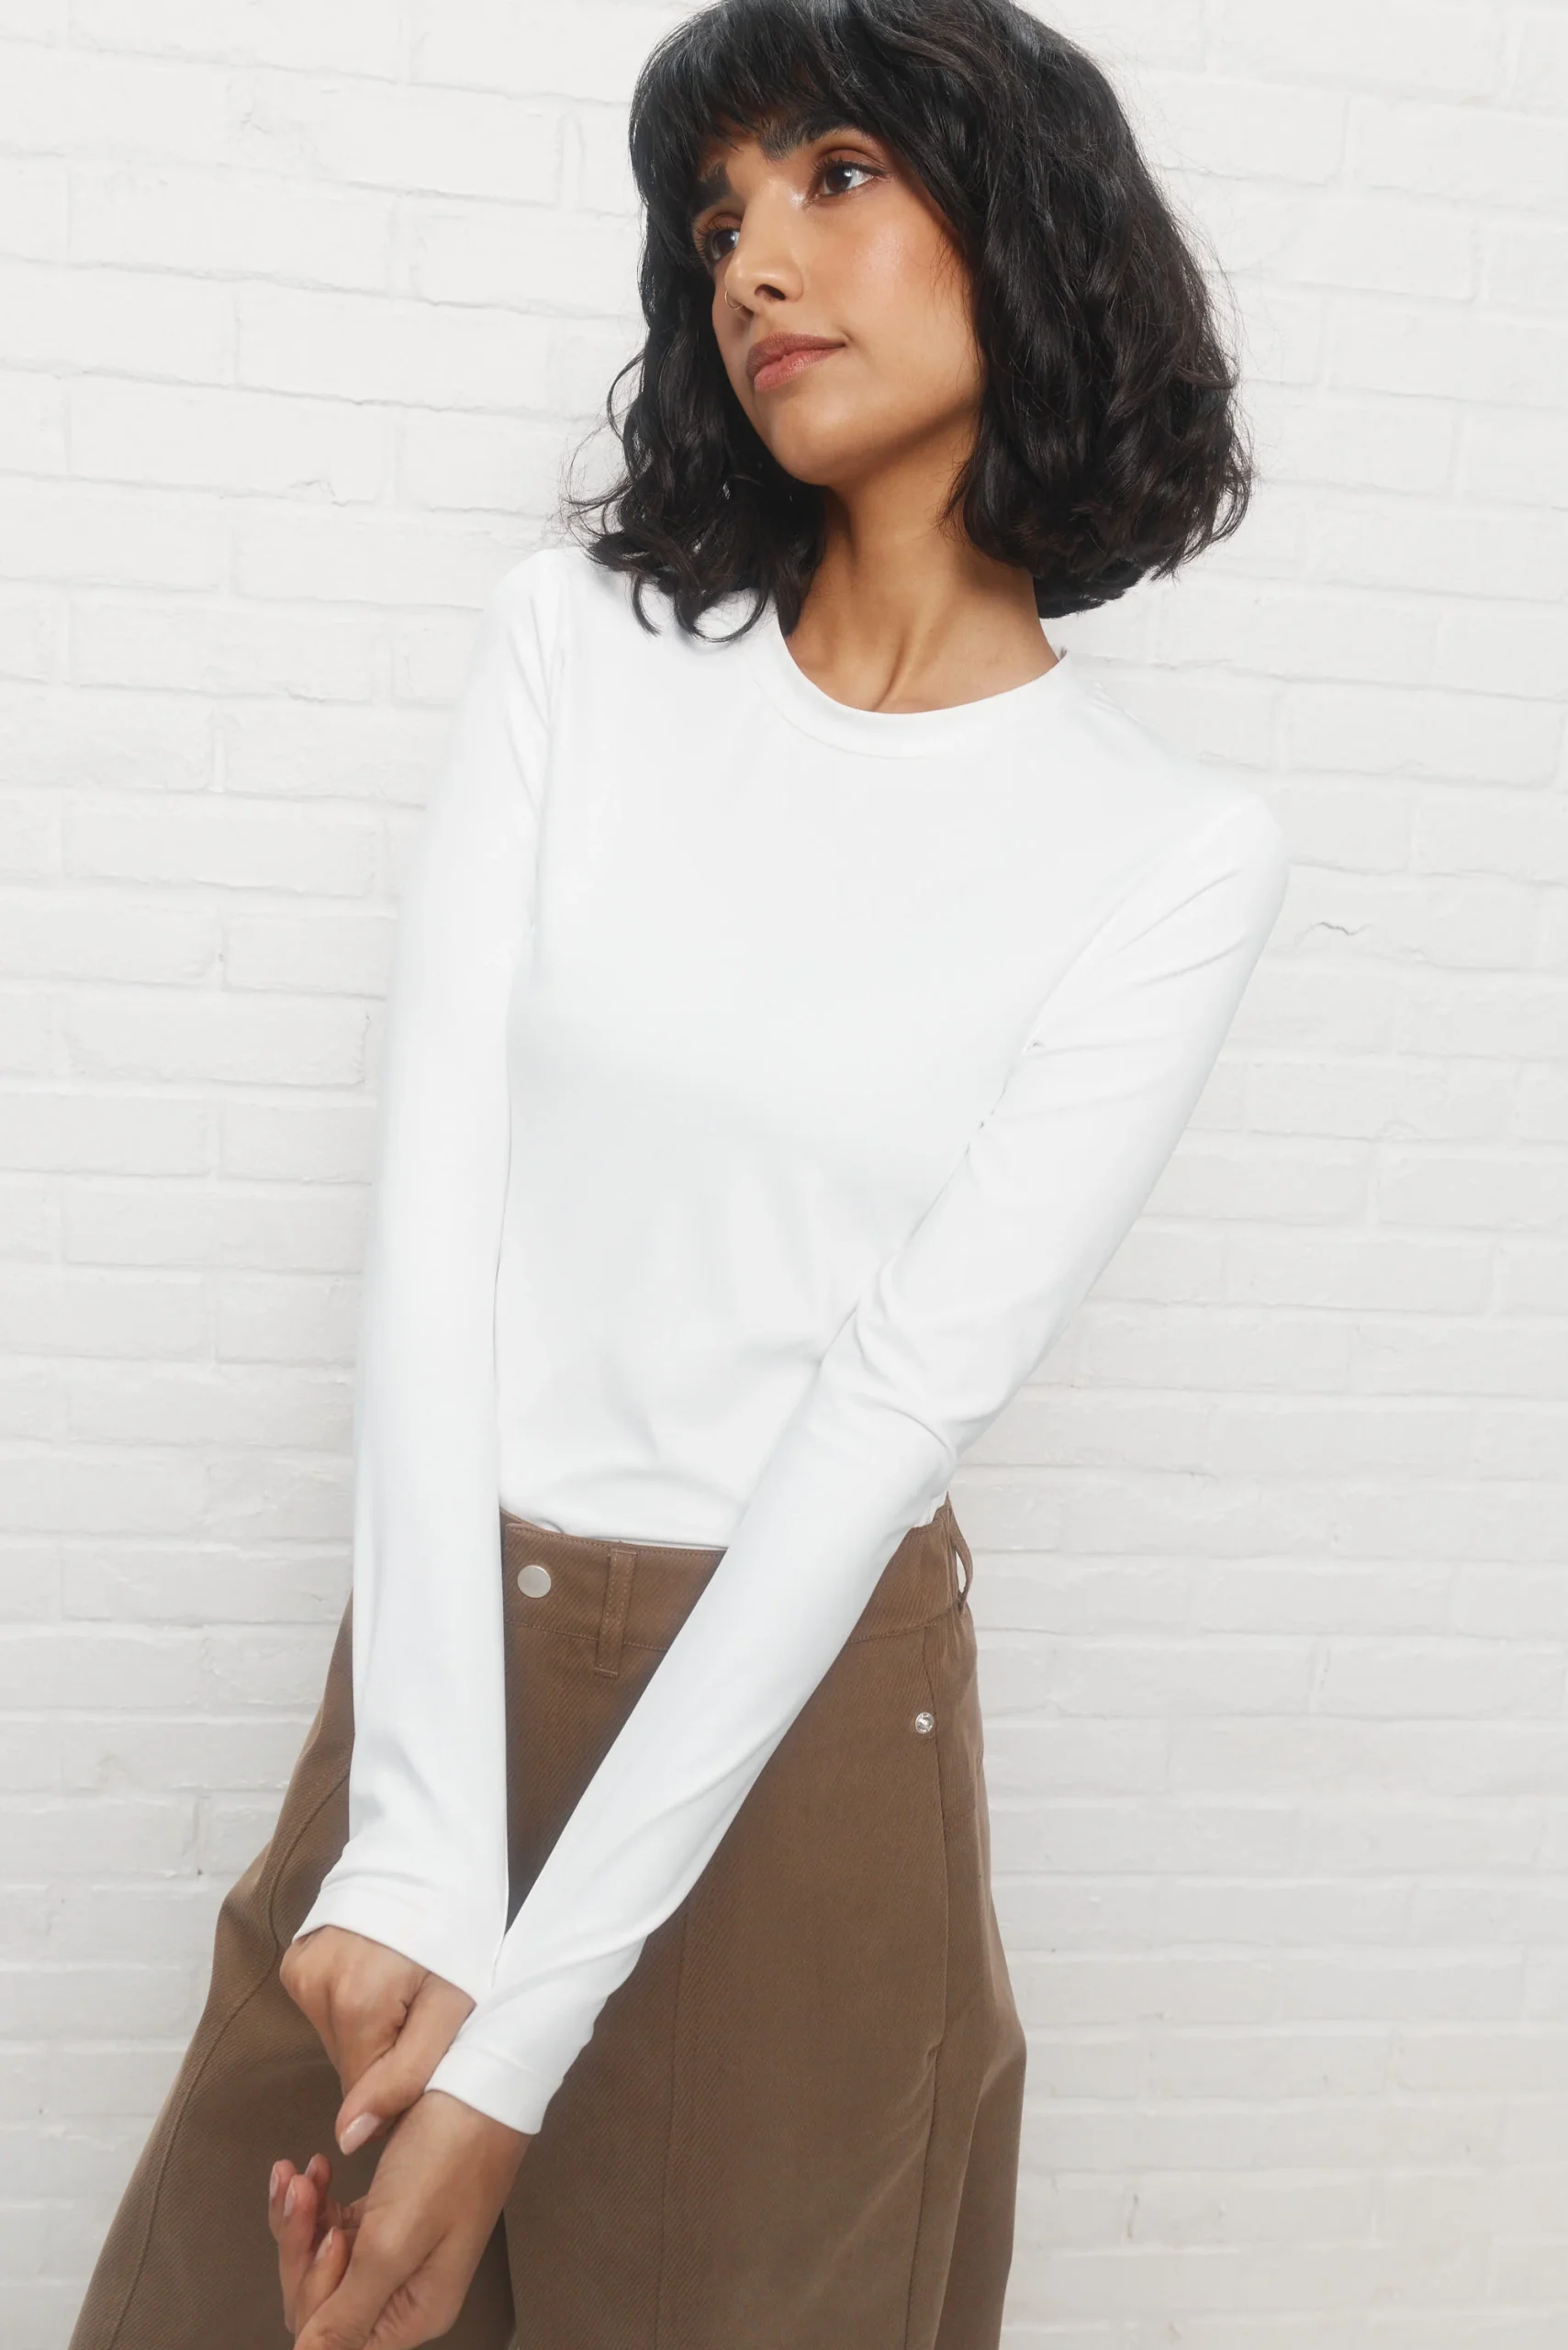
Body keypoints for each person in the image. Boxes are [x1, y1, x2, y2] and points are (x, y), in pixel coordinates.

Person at [65, 3, 1289, 2346]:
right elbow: (437, 1227)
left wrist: (514, 2059)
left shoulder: (1163, 850)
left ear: (1025, 224)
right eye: (712, 220)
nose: (750, 264)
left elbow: (881, 1420)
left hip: (803, 1725)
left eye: (832, 176)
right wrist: (416, 1840)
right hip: (449, 1682)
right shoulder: (576, 652)